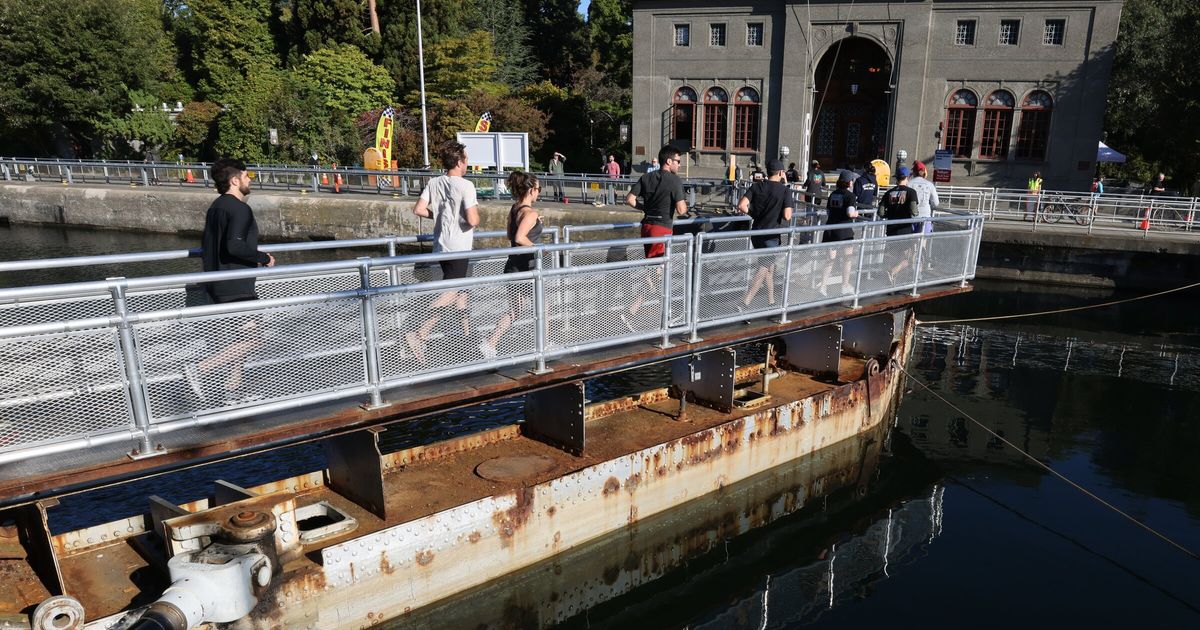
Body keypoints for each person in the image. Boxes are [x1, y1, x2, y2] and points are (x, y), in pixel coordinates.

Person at [186, 158, 276, 401]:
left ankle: (232, 391)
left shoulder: (216, 207)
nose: (249, 181)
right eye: (247, 177)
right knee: (256, 338)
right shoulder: (240, 209)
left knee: (242, 339)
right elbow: (234, 245)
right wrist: (263, 257)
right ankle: (200, 368)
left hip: (218, 281)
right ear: (235, 180)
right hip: (236, 285)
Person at [404, 141, 481, 364]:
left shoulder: (434, 182)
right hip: (459, 247)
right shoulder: (466, 185)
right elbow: (473, 220)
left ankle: (467, 337)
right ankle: (419, 333)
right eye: (466, 160)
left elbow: (418, 209)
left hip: (441, 246)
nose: (467, 164)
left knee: (459, 292)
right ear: (459, 162)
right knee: (451, 292)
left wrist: (439, 216)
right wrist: (464, 217)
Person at [623, 145, 689, 329]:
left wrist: (644, 208)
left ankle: (632, 312)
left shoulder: (646, 177)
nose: (679, 165)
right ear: (668, 161)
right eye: (678, 161)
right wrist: (685, 208)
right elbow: (682, 210)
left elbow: (629, 199)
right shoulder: (674, 181)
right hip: (662, 230)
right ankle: (666, 314)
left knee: (655, 271)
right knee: (657, 273)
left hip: (646, 228)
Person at [479, 171, 544, 359]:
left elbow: (510, 235)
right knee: (544, 307)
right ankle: (545, 345)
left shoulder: (515, 208)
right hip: (528, 268)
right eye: (538, 189)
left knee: (515, 310)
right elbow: (519, 238)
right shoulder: (530, 213)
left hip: (512, 265)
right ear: (531, 190)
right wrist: (540, 248)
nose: (539, 192)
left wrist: (535, 225)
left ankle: (490, 343)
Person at [737, 159, 794, 309]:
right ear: (781, 173)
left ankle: (771, 300)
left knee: (769, 265)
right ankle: (745, 302)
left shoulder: (757, 186)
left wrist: (753, 213)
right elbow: (787, 216)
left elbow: (741, 205)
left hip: (756, 233)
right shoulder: (785, 190)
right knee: (764, 266)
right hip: (771, 235)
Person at [878, 166, 921, 282]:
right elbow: (914, 212)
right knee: (908, 257)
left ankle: (890, 278)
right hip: (904, 229)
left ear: (896, 178)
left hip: (891, 229)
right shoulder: (911, 192)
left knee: (893, 255)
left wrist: (889, 214)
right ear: (907, 177)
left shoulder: (889, 193)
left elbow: (880, 212)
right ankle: (892, 271)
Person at [909, 161, 940, 233]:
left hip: (911, 218)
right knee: (922, 240)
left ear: (914, 172)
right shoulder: (929, 185)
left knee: (910, 240)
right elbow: (936, 203)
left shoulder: (909, 183)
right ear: (924, 172)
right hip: (925, 217)